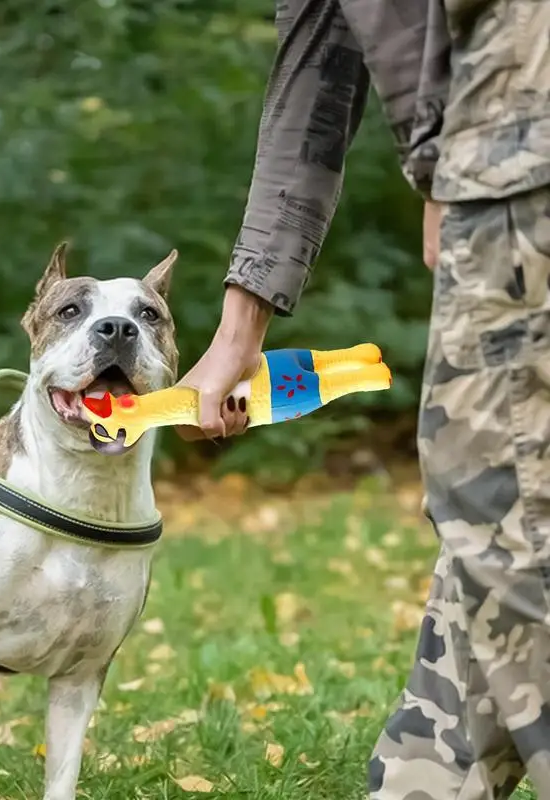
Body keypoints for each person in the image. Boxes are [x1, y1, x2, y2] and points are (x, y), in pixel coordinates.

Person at [178, 0, 550, 797]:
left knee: (509, 521)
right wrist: (242, 325)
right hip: (508, 150)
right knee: (501, 515)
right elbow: (325, 44)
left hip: (522, 146)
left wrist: (445, 150)